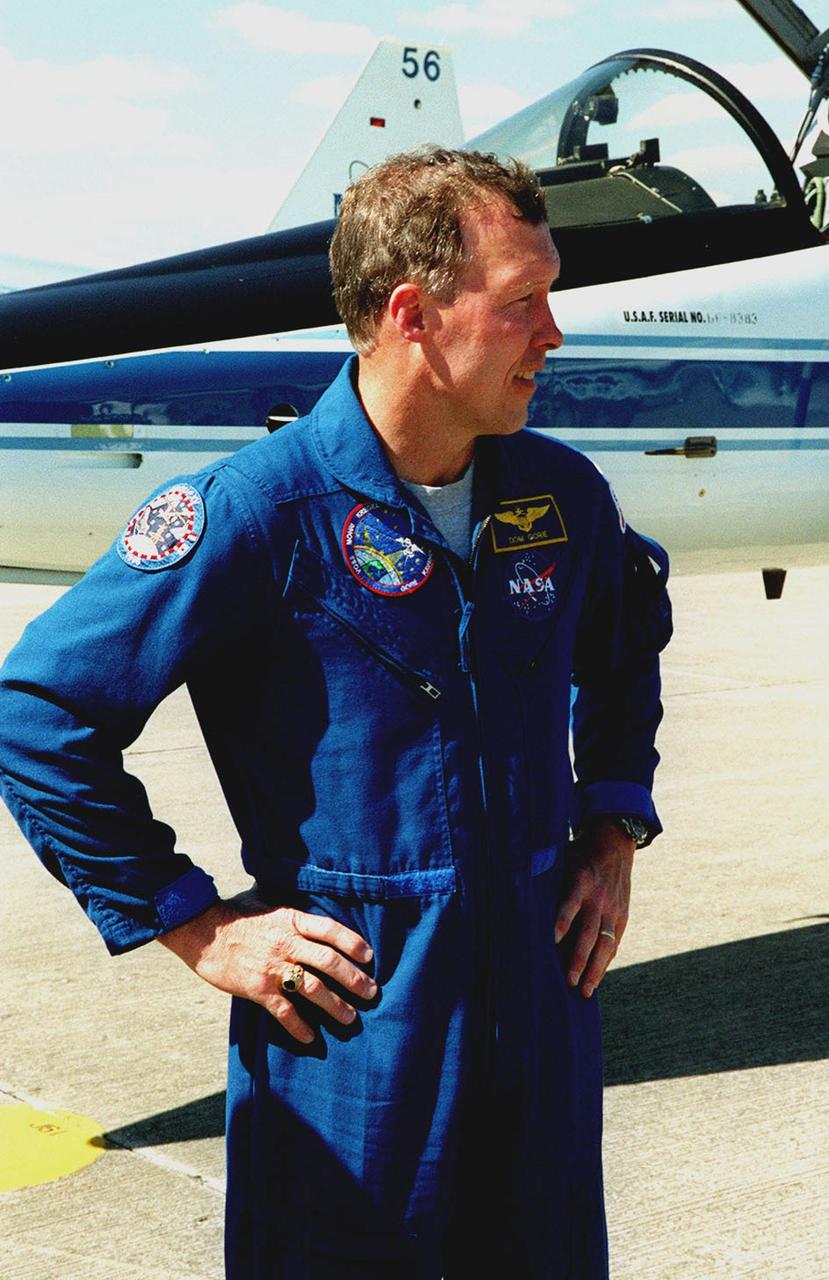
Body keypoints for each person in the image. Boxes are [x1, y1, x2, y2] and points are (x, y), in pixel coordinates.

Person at [0, 147, 671, 1278]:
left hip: (542, 1007)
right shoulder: (257, 513)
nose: (553, 334)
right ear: (414, 313)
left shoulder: (563, 498)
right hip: (355, 1017)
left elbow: (625, 650)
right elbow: (37, 712)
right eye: (522, 304)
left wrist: (610, 828)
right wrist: (197, 925)